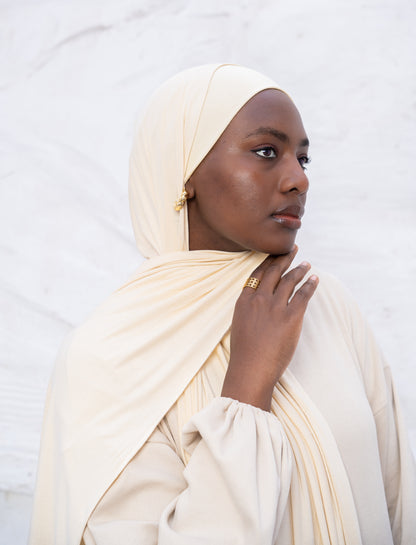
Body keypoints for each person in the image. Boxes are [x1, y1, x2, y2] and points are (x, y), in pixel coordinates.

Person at [29, 64, 416, 545]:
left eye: (303, 159)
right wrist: (246, 389)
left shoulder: (319, 302)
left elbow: (399, 503)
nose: (299, 179)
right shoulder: (105, 358)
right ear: (184, 170)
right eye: (266, 152)